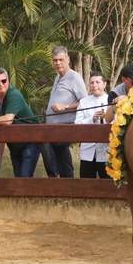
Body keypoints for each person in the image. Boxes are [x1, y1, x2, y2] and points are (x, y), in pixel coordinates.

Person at [0, 68, 40, 178]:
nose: (1, 84)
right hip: (13, 143)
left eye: (4, 81)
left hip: (30, 140)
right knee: (18, 177)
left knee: (24, 176)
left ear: (8, 80)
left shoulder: (14, 94)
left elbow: (8, 119)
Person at [40, 46, 87, 178]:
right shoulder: (58, 77)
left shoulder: (74, 77)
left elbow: (85, 102)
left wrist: (65, 107)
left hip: (67, 125)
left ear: (67, 60)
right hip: (54, 126)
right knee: (60, 152)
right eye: (55, 60)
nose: (58, 63)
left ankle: (54, 177)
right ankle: (67, 182)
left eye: (61, 59)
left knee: (45, 142)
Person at [74, 73, 110, 179]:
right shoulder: (84, 102)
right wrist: (92, 119)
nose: (94, 85)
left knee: (107, 183)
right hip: (87, 149)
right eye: (92, 83)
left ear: (104, 84)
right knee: (86, 182)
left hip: (106, 150)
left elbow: (117, 123)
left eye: (98, 82)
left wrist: (107, 117)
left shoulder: (111, 101)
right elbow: (77, 124)